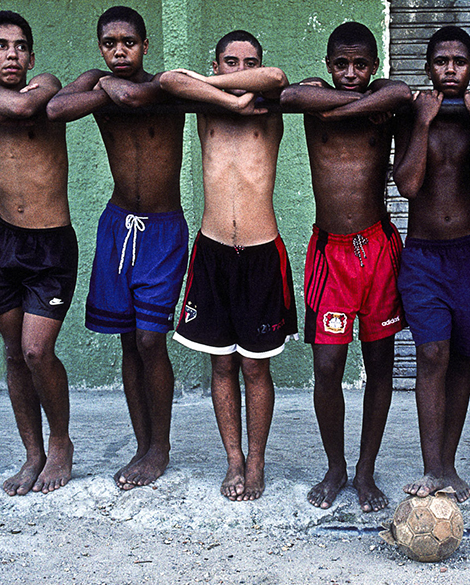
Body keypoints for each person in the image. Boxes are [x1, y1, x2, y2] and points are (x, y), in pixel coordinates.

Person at [47, 6, 187, 490]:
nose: (119, 50)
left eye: (129, 41)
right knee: (128, 339)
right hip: (117, 227)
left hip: (164, 230)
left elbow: (133, 95)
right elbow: (54, 109)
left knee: (151, 338)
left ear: (146, 45)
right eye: (109, 43)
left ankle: (160, 448)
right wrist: (99, 81)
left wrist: (109, 86)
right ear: (100, 46)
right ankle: (141, 443)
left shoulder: (167, 85)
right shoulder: (97, 85)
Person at [159, 31, 296, 501]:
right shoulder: (205, 104)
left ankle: (256, 464)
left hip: (261, 251)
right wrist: (228, 98)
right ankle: (233, 462)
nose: (240, 71)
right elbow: (169, 79)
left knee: (256, 370)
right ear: (214, 64)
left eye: (248, 62)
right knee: (221, 367)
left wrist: (240, 94)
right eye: (229, 62)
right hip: (213, 249)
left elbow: (276, 77)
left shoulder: (271, 101)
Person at [280, 22, 411, 512]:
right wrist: (348, 106)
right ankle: (336, 466)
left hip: (377, 251)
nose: (350, 73)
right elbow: (289, 96)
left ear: (373, 65)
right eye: (341, 64)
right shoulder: (315, 97)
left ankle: (365, 469)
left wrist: (354, 107)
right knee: (328, 365)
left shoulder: (386, 97)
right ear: (328, 64)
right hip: (330, 255)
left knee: (381, 363)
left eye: (360, 64)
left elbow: (402, 91)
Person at [0, 11, 75, 496]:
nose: (12, 55)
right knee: (13, 353)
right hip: (4, 241)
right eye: (1, 47)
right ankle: (33, 452)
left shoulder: (45, 84)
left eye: (21, 46)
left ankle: (61, 443)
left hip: (50, 243)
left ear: (32, 54)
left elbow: (25, 111)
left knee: (35, 350)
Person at [393, 26, 470, 503]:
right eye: (441, 61)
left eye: (459, 61)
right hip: (423, 256)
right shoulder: (413, 113)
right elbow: (408, 186)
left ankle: (449, 466)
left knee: (461, 357)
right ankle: (431, 467)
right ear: (428, 67)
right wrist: (421, 123)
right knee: (431, 354)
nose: (450, 69)